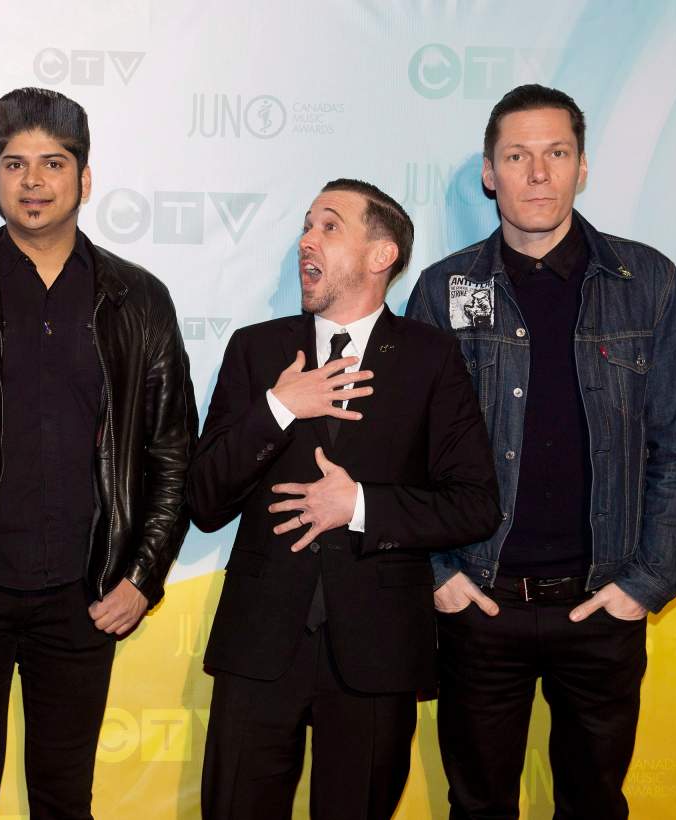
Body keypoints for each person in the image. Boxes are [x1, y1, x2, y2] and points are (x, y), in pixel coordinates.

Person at [0, 87, 198, 819]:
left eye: (53, 163)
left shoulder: (138, 299)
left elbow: (172, 453)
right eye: (14, 162)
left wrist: (141, 576)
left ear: (85, 179)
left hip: (84, 599)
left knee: (64, 800)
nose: (31, 180)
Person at [407, 84, 676, 820]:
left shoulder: (649, 283)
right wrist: (439, 574)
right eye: (517, 155)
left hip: (602, 606)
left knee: (595, 803)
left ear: (582, 168)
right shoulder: (444, 289)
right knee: (477, 807)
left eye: (556, 153)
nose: (537, 174)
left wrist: (646, 583)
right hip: (480, 606)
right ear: (488, 172)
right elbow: (404, 450)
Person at [190, 179, 501, 819]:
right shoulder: (258, 349)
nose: (308, 239)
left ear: (380, 255)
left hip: (378, 650)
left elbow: (474, 504)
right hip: (260, 645)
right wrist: (280, 407)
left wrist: (359, 505)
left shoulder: (431, 359)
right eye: (307, 225)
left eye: (330, 226)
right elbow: (205, 499)